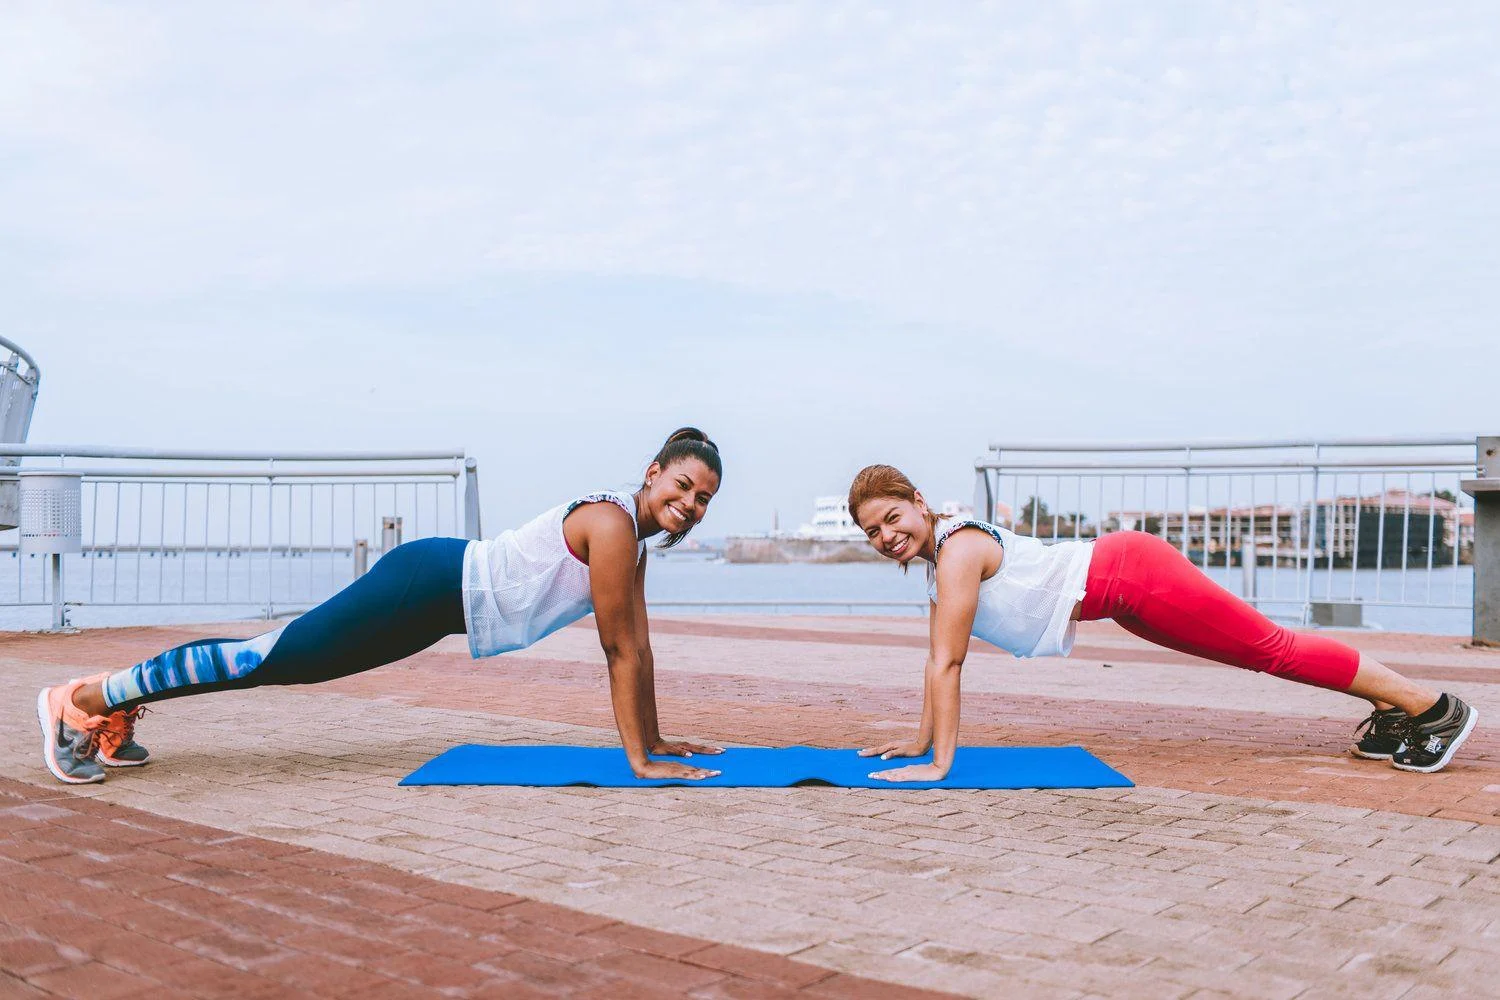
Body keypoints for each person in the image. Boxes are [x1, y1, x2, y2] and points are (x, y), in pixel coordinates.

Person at [38, 428, 726, 784]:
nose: (690, 506)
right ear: (653, 471)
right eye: (685, 485)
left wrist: (657, 738)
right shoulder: (611, 525)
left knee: (288, 664)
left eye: (703, 500)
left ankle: (108, 702)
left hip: (435, 599)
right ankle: (85, 697)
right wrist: (638, 759)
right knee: (272, 657)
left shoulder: (631, 540)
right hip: (427, 580)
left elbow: (640, 646)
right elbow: (618, 652)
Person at [846, 465, 1478, 782]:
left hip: (1133, 575)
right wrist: (920, 741)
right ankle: (1397, 708)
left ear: (920, 504)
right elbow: (937, 659)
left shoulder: (955, 552)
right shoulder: (941, 562)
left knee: (1273, 649)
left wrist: (940, 766)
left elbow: (949, 664)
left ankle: (1434, 707)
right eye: (872, 530)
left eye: (893, 517)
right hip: (1125, 595)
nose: (886, 535)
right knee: (1265, 652)